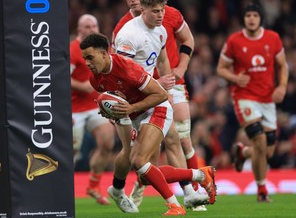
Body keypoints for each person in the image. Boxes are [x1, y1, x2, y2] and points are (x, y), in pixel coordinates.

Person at [80, 32, 216, 216]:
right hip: (136, 115)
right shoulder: (94, 79)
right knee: (143, 171)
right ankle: (200, 175)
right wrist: (110, 112)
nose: (87, 63)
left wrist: (131, 107)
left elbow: (160, 94)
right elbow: (116, 98)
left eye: (90, 57)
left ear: (104, 54)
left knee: (139, 160)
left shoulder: (127, 68)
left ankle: (175, 206)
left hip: (157, 109)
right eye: (84, 58)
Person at [112, 0, 207, 211]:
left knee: (175, 138)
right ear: (143, 9)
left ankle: (189, 193)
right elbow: (124, 75)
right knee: (136, 158)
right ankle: (117, 189)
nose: (161, 15)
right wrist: (156, 83)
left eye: (162, 10)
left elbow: (163, 58)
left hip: (153, 95)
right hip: (131, 99)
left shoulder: (162, 28)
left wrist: (168, 87)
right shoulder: (125, 34)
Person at [217, 3, 289, 202]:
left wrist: (282, 87)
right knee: (259, 139)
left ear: (260, 18)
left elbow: (283, 66)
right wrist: (234, 78)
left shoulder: (273, 38)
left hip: (267, 99)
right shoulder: (234, 41)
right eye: (248, 15)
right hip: (245, 97)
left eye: (255, 15)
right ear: (243, 18)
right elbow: (221, 68)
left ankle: (243, 153)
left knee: (268, 151)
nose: (251, 18)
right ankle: (262, 191)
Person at [70, 14, 115, 205]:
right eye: (87, 26)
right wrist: (83, 86)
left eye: (94, 25)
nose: (92, 29)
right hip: (73, 108)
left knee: (107, 142)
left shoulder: (103, 49)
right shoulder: (73, 50)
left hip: (96, 105)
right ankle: (61, 189)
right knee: (72, 151)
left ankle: (93, 185)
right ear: (79, 29)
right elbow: (60, 76)